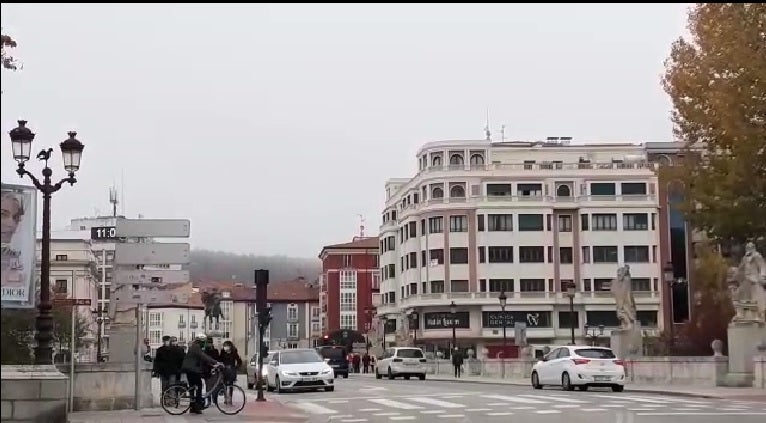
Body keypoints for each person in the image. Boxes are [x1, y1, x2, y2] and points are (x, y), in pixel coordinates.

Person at [182, 333, 221, 414]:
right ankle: (198, 405)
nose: (205, 343)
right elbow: (204, 356)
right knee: (199, 385)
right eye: (204, 341)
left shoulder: (195, 346)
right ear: (201, 341)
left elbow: (202, 359)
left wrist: (212, 364)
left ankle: (193, 407)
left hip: (190, 369)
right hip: (192, 369)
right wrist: (216, 362)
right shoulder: (196, 347)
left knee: (193, 387)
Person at [219, 340, 243, 405]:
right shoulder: (222, 352)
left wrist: (235, 367)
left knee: (231, 385)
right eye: (225, 346)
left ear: (230, 346)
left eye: (227, 346)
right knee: (224, 384)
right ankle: (225, 398)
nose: (226, 347)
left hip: (232, 370)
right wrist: (221, 366)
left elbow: (239, 361)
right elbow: (220, 360)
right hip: (224, 370)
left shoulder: (234, 352)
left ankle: (230, 398)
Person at [203, 337, 221, 406]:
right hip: (207, 370)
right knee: (208, 386)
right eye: (208, 343)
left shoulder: (215, 351)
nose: (209, 344)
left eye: (210, 343)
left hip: (214, 370)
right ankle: (209, 400)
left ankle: (215, 400)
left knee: (214, 386)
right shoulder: (205, 351)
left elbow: (217, 359)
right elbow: (204, 361)